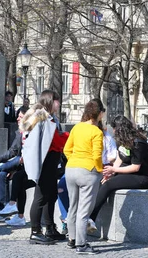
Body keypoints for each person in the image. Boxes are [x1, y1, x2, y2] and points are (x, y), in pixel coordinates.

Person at [21, 89, 69, 245]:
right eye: (57, 100)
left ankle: (50, 228)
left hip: (51, 161)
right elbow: (54, 141)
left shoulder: (49, 117)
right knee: (41, 197)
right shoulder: (43, 116)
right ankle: (35, 231)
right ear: (51, 101)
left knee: (51, 194)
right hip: (45, 161)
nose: (59, 103)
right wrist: (69, 137)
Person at [88, 115, 148, 226]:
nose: (113, 131)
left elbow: (135, 167)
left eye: (114, 128)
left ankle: (91, 218)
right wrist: (111, 173)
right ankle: (89, 216)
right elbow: (120, 157)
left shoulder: (138, 143)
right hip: (129, 173)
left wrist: (114, 169)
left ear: (119, 129)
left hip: (142, 177)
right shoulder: (124, 140)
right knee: (102, 181)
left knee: (109, 185)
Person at [63, 100, 104, 254]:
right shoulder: (96, 132)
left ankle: (72, 239)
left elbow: (67, 149)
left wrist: (74, 161)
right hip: (88, 171)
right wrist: (99, 170)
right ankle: (82, 245)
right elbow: (97, 155)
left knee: (72, 206)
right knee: (84, 210)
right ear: (99, 114)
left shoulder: (77, 127)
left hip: (71, 169)